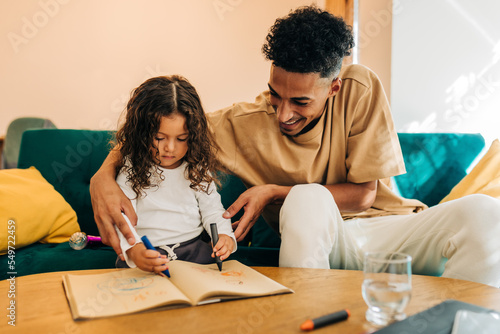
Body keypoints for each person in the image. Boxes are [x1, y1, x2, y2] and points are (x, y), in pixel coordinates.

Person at [90, 6, 500, 286]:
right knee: (305, 201)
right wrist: (103, 175)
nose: (283, 113)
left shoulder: (359, 87)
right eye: (275, 94)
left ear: (333, 88)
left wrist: (272, 192)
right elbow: (157, 132)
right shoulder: (239, 123)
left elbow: (363, 196)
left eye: (301, 101)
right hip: (313, 244)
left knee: (486, 212)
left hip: (386, 232)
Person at [110, 75, 236, 274]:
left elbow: (212, 210)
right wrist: (134, 251)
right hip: (147, 252)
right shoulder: (131, 168)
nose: (169, 148)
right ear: (142, 133)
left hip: (193, 251)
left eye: (181, 138)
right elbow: (122, 218)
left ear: (193, 136)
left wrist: (224, 235)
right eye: (159, 137)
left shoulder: (196, 168)